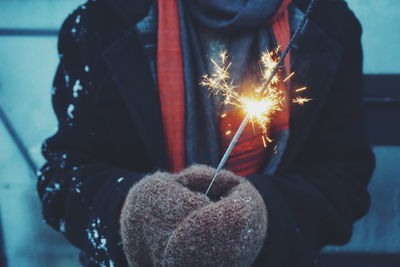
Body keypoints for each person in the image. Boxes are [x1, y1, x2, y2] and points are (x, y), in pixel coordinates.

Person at [37, 0, 375, 266]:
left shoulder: (326, 21)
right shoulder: (101, 21)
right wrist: (131, 213)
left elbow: (344, 178)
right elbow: (63, 177)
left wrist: (265, 215)